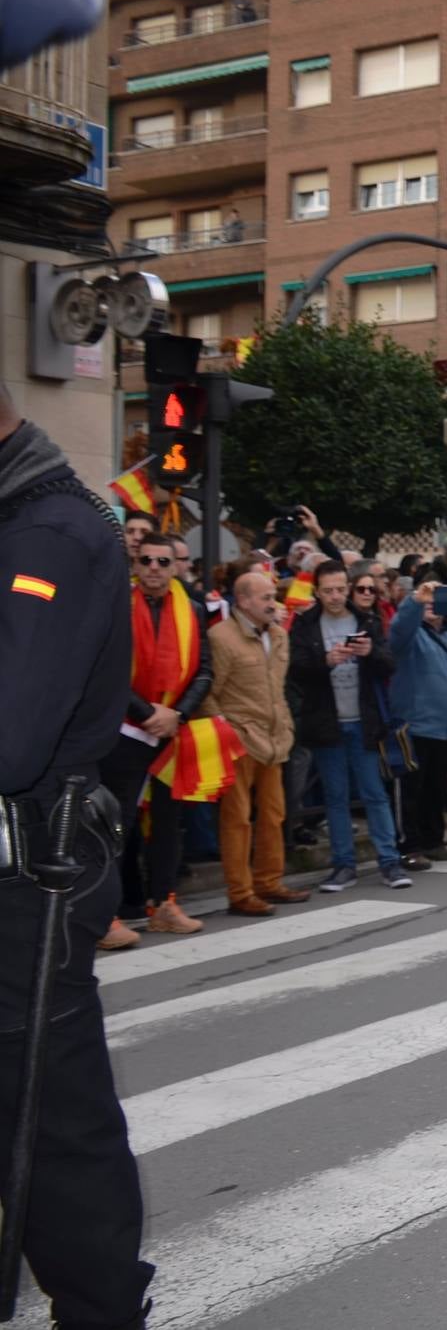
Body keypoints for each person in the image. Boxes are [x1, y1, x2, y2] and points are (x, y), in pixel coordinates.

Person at [0, 383, 158, 1329]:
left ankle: (100, 1311)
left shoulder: (49, 533)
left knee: (50, 1112)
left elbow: (11, 739)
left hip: (33, 875)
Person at [101, 529, 212, 936]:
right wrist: (148, 713)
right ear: (135, 563)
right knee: (117, 824)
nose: (153, 568)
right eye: (145, 560)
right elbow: (107, 668)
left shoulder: (194, 610)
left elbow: (205, 671)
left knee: (169, 821)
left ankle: (164, 903)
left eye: (163, 561)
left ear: (175, 567)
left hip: (172, 729)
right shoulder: (116, 606)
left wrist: (177, 714)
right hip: (125, 730)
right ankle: (104, 916)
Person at [290, 560, 411, 893]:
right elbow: (295, 668)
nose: (335, 596)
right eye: (328, 590)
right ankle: (343, 865)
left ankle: (389, 862)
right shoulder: (304, 623)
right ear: (317, 591)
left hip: (364, 721)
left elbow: (389, 665)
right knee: (336, 797)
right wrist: (325, 661)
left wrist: (370, 651)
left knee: (374, 793)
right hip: (326, 721)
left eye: (341, 589)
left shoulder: (367, 620)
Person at [197, 569, 302, 917]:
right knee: (237, 818)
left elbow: (278, 688)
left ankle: (269, 881)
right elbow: (209, 692)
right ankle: (240, 891)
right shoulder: (222, 637)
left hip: (273, 737)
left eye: (273, 596)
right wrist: (225, 729)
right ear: (242, 601)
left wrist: (283, 724)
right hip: (239, 738)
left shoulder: (278, 636)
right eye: (266, 598)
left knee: (274, 814)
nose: (274, 604)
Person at [389, 578, 447, 864]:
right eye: (424, 603)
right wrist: (414, 600)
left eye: (434, 602)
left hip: (444, 728)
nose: (430, 606)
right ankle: (408, 846)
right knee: (411, 790)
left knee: (435, 789)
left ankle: (433, 840)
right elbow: (400, 628)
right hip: (415, 725)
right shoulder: (410, 636)